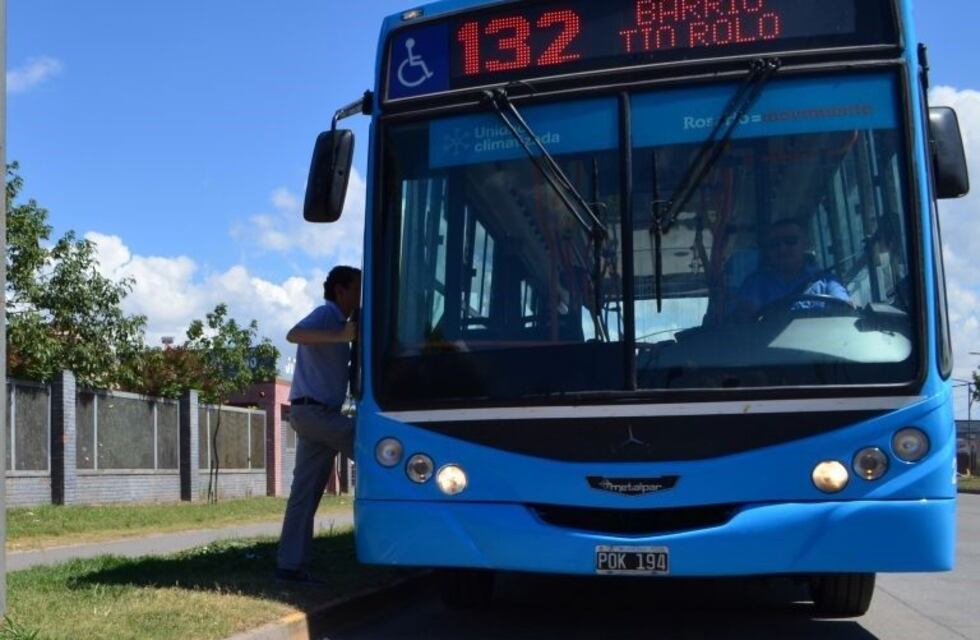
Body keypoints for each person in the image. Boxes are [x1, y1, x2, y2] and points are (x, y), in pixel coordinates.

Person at [276, 266, 361, 585]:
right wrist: (341, 335)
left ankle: (289, 566)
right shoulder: (327, 316)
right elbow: (294, 334)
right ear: (340, 291)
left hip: (316, 416)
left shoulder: (344, 323)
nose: (360, 294)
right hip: (314, 414)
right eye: (356, 288)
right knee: (381, 447)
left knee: (305, 494)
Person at [731, 218, 850, 322]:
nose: (782, 248)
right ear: (768, 250)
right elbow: (745, 319)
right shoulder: (755, 284)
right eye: (775, 244)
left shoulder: (828, 282)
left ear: (805, 244)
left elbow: (846, 310)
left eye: (790, 241)